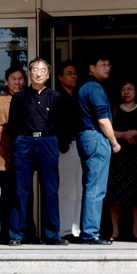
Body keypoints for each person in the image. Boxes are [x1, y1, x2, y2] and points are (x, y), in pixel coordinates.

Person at [7, 58, 68, 246]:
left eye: (42, 70)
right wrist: (20, 139)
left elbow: (62, 122)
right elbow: (13, 124)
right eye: (35, 69)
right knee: (21, 190)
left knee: (50, 189)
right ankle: (17, 234)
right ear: (30, 73)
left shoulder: (55, 97)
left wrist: (58, 143)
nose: (38, 73)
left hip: (48, 141)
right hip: (24, 142)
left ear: (48, 75)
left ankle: (52, 234)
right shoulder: (19, 97)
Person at [77, 56, 121, 245]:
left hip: (86, 137)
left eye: (109, 64)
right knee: (96, 187)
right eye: (103, 65)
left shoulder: (84, 86)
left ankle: (88, 230)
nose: (107, 68)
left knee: (91, 185)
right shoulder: (94, 88)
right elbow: (103, 119)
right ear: (91, 67)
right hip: (96, 137)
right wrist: (114, 142)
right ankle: (90, 233)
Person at [106, 81, 137, 241]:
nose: (126, 92)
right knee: (114, 194)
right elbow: (106, 129)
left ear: (136, 91)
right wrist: (124, 135)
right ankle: (115, 231)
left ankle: (136, 231)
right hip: (117, 155)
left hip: (136, 157)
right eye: (123, 89)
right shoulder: (114, 109)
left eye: (130, 89)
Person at [0, 65, 26, 244]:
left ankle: (25, 233)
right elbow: (1, 131)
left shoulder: (28, 99)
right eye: (13, 79)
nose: (17, 82)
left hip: (26, 158)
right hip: (7, 157)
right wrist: (21, 144)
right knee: (7, 198)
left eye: (20, 79)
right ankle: (5, 235)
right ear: (6, 82)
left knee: (24, 197)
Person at [56, 61, 82, 242]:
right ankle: (64, 230)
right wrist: (62, 144)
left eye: (75, 73)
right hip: (65, 146)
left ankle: (75, 230)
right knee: (67, 191)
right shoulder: (57, 97)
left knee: (79, 191)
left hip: (80, 145)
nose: (73, 77)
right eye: (69, 73)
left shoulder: (78, 96)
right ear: (60, 77)